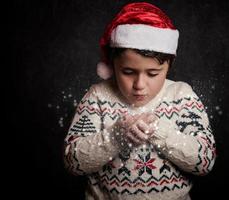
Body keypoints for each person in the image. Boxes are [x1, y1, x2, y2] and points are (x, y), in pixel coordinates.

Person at [64, 2, 216, 200]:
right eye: (128, 72)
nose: (139, 85)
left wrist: (157, 131)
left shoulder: (182, 96)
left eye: (153, 73)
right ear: (112, 65)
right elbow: (72, 163)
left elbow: (205, 162)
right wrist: (116, 136)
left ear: (168, 66)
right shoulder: (98, 96)